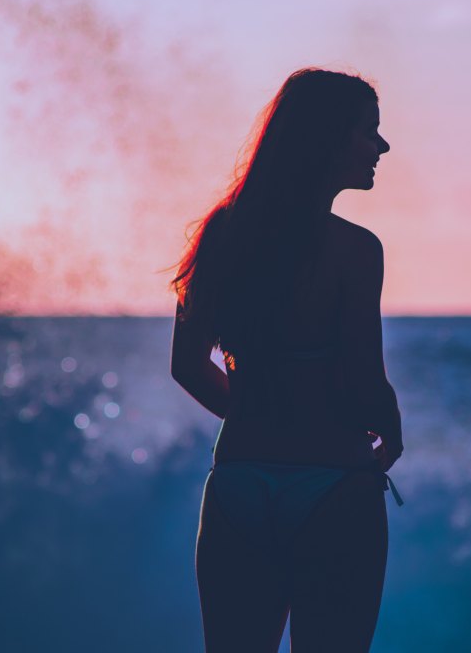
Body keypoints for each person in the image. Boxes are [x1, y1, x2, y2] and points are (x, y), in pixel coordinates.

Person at [168, 67, 404, 652]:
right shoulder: (354, 249)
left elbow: (185, 364)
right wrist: (390, 427)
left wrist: (254, 411)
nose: (382, 145)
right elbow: (363, 382)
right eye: (368, 131)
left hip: (238, 485)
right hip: (333, 487)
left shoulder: (222, 234)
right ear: (328, 138)